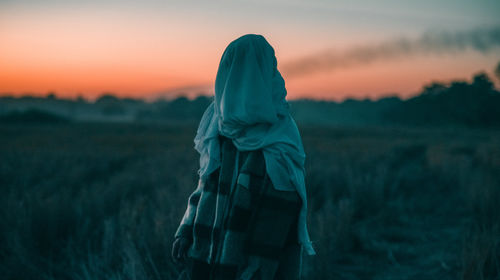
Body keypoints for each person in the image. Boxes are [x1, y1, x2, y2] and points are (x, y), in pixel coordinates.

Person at [172, 34, 315, 280]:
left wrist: (257, 267)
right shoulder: (217, 125)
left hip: (249, 266)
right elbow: (204, 186)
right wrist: (185, 230)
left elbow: (281, 212)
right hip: (205, 252)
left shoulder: (280, 135)